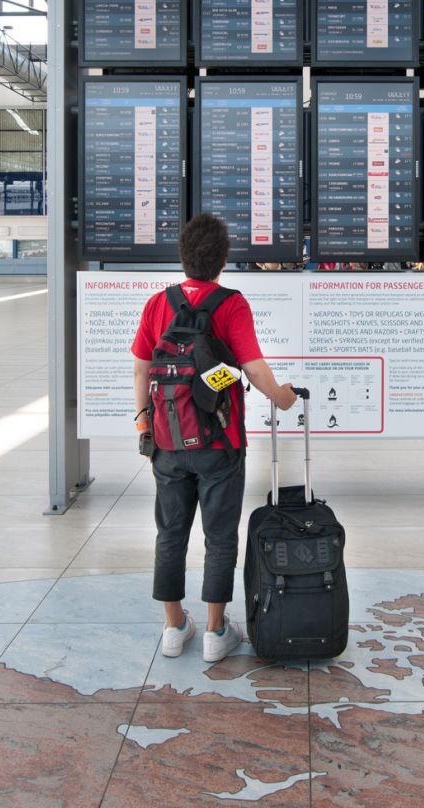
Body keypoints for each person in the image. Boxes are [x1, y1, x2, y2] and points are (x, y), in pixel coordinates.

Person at [131, 214, 296, 664]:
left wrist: (144, 422)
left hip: (167, 441)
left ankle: (173, 627)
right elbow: (254, 367)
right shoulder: (231, 303)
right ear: (222, 259)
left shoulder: (158, 304)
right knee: (219, 537)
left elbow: (143, 366)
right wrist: (281, 398)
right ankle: (215, 633)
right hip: (219, 443)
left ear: (182, 257)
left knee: (170, 533)